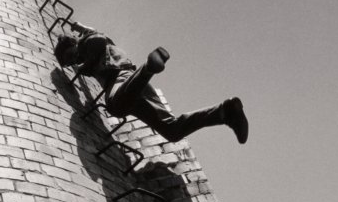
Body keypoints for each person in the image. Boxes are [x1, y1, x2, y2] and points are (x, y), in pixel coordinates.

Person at [54, 20, 248, 144]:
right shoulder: (88, 47)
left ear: (72, 44)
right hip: (135, 90)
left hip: (123, 78)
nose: (72, 61)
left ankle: (148, 68)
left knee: (113, 105)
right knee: (172, 131)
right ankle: (225, 112)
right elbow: (97, 34)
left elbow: (98, 39)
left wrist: (82, 65)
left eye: (69, 56)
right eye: (69, 62)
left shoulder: (87, 43)